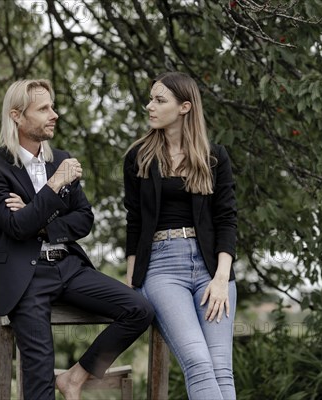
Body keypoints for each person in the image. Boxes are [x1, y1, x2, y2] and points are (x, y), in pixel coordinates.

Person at [0, 79, 154, 400]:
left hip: (69, 267)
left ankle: (76, 376)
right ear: (16, 115)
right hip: (24, 277)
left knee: (139, 310)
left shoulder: (61, 158)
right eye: (43, 109)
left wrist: (37, 219)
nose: (54, 114)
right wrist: (55, 186)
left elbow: (84, 219)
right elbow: (15, 229)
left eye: (52, 106)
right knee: (40, 378)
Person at [124, 71, 238, 399]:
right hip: (162, 268)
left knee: (221, 368)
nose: (150, 106)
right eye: (151, 99)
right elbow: (134, 222)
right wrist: (132, 281)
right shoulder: (139, 157)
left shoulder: (214, 157)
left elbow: (227, 219)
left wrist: (221, 279)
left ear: (185, 107)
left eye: (160, 100)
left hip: (211, 269)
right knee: (198, 362)